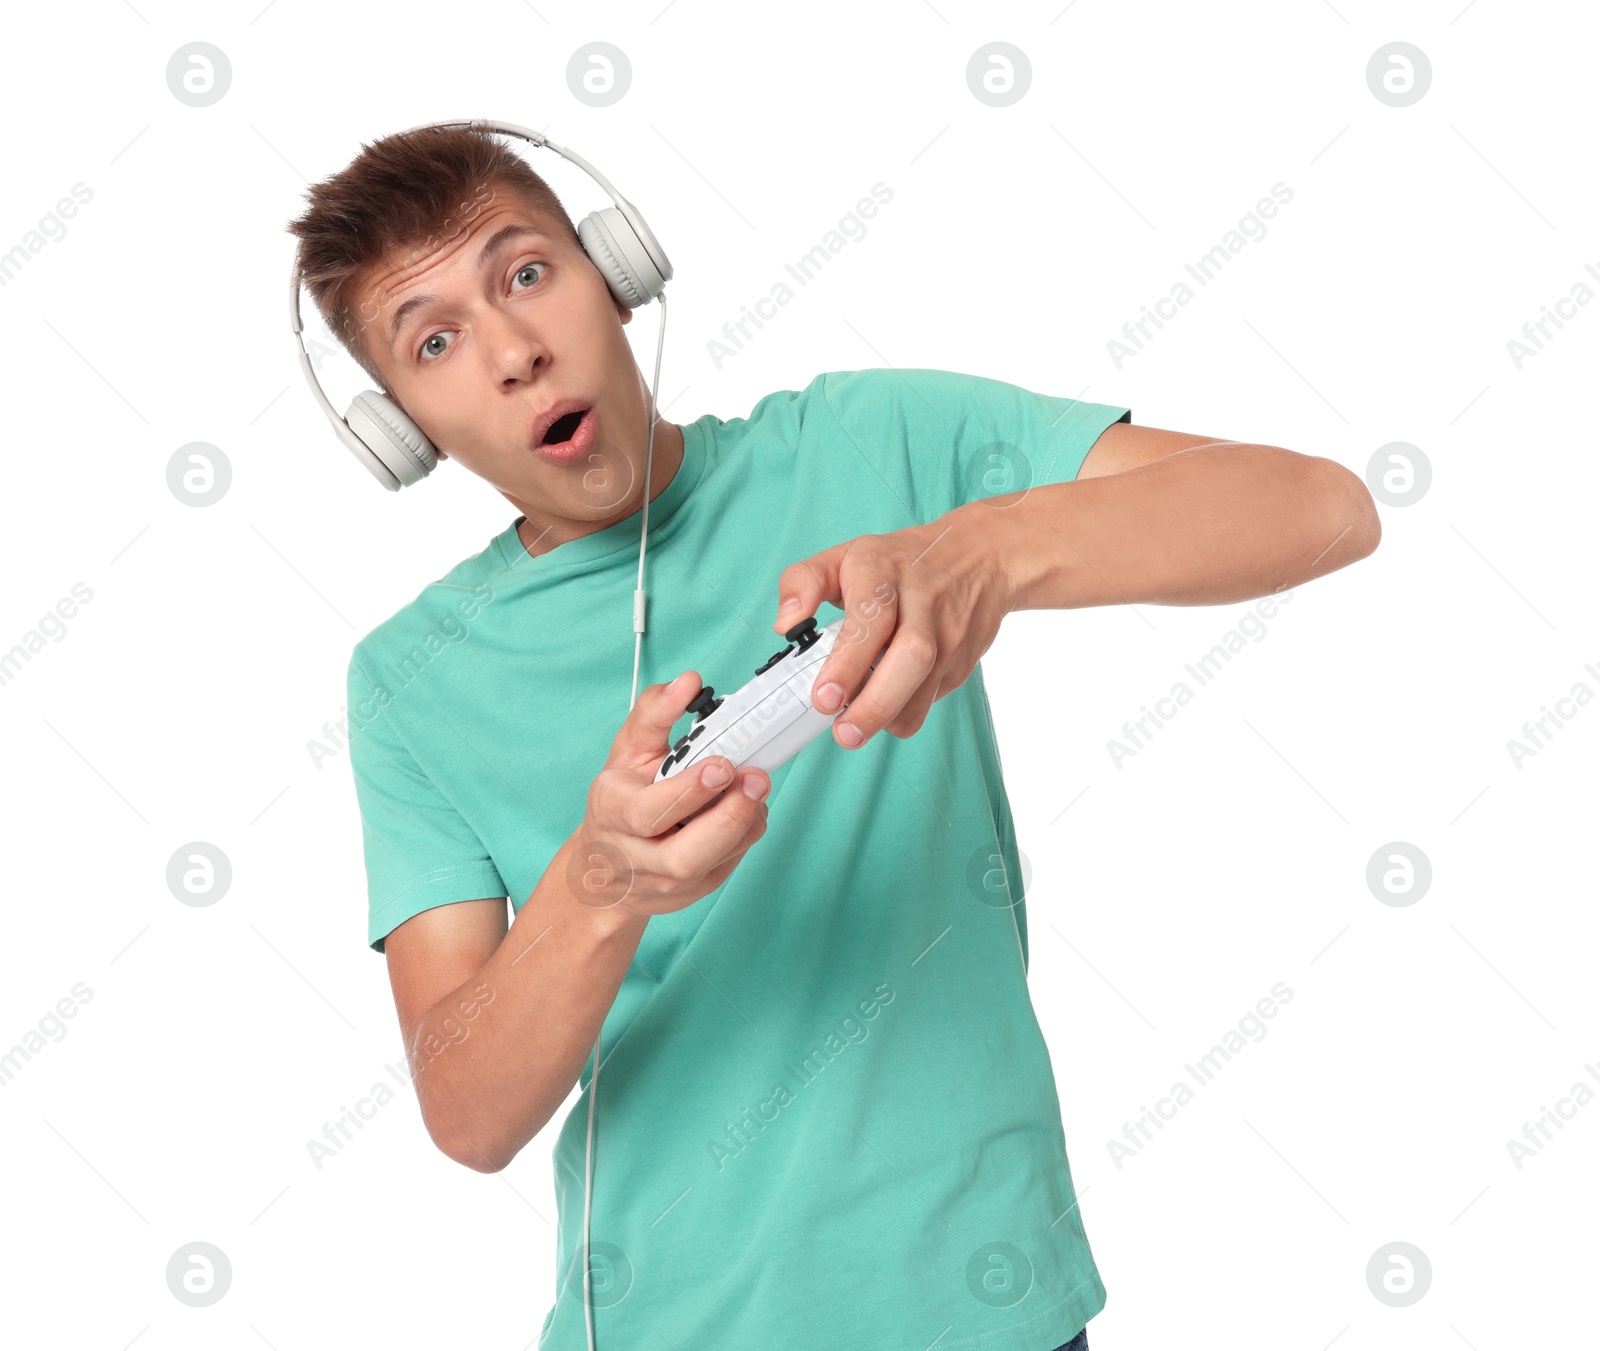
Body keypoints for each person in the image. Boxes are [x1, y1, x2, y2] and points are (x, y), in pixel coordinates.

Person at [287, 124, 1380, 1351]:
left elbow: (1323, 509)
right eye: (432, 341)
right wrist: (603, 886)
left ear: (615, 271)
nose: (513, 352)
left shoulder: (873, 443)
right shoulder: (411, 680)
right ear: (405, 430)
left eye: (527, 272)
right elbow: (468, 1111)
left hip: (993, 1306)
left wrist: (985, 549)